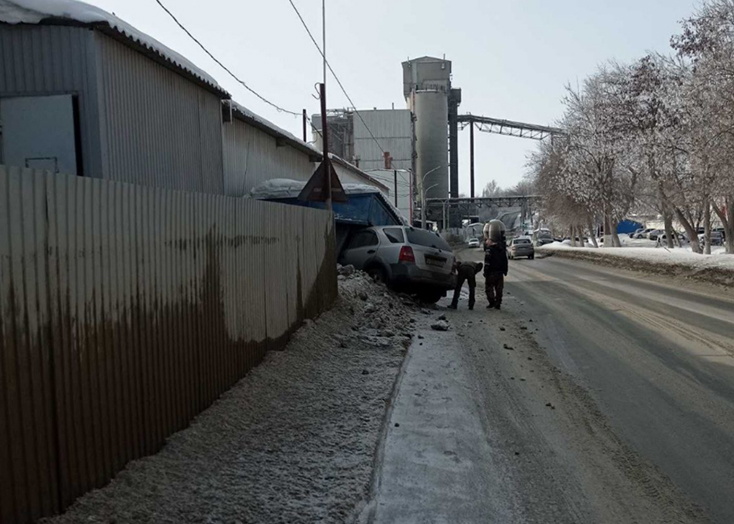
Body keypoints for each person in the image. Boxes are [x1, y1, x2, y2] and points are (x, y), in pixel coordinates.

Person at [484, 235, 508, 309]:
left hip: (491, 272)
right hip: (500, 272)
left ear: (490, 242)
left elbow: (487, 262)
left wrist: (485, 271)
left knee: (489, 287)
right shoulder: (502, 250)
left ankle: (492, 302)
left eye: (487, 241)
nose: (486, 243)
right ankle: (498, 303)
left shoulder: (489, 250)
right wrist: (505, 270)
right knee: (499, 288)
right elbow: (505, 261)